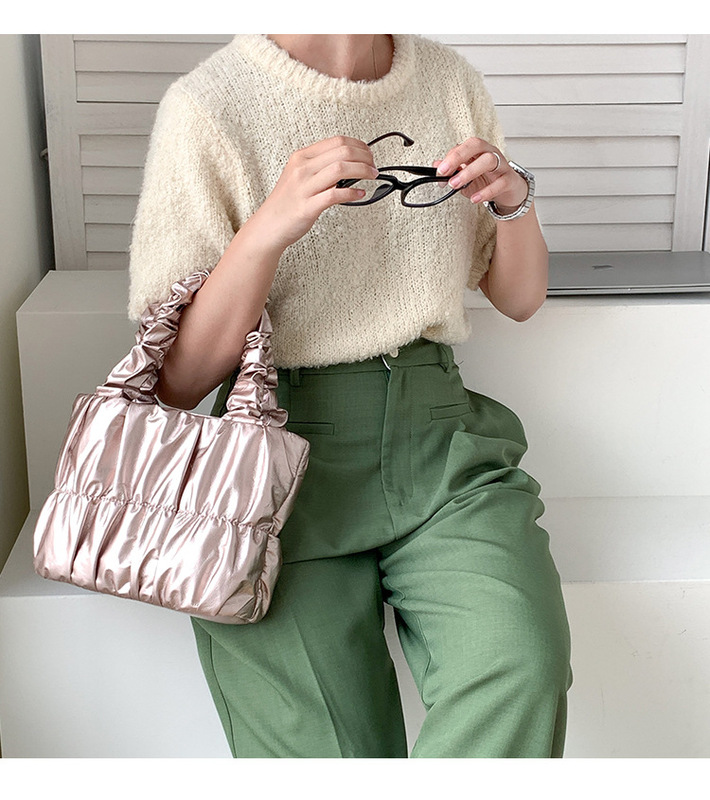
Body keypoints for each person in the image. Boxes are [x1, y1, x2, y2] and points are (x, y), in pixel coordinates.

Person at [126, 33, 573, 758]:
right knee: (322, 751)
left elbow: (519, 299)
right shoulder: (210, 104)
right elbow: (177, 377)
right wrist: (270, 227)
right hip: (271, 470)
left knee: (520, 667)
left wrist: (513, 200)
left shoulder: (449, 81)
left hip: (443, 449)